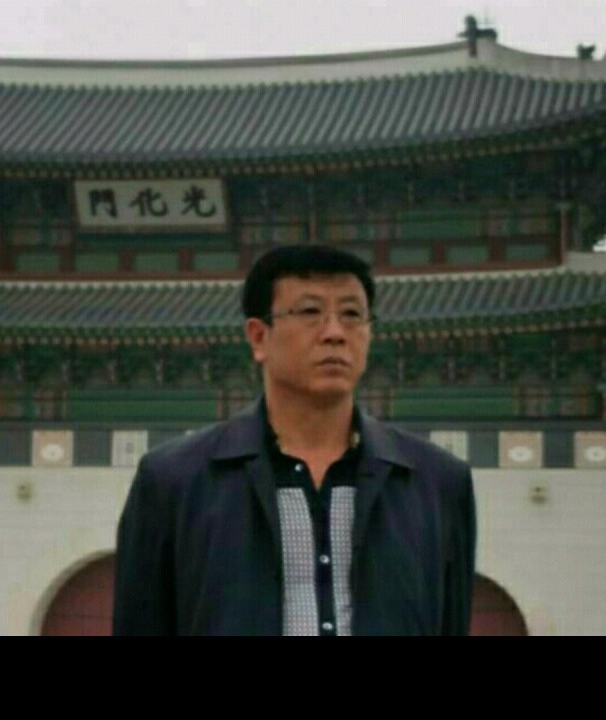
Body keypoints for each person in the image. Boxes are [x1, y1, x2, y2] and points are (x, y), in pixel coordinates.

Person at [113, 244, 476, 636]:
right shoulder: (174, 481)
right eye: (309, 312)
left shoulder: (438, 484)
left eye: (352, 315)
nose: (335, 333)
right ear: (258, 337)